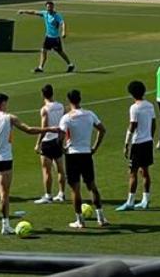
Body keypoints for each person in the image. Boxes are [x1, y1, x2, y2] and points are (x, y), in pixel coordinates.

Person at [0, 92, 57, 234]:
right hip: (5, 159)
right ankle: (5, 225)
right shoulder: (9, 118)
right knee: (4, 194)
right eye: (6, 103)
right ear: (2, 103)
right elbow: (29, 130)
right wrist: (49, 129)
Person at [58, 89, 109, 228]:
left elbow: (60, 137)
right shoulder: (90, 114)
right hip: (86, 154)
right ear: (80, 99)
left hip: (72, 155)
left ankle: (80, 221)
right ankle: (101, 218)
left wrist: (62, 149)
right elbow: (102, 130)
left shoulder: (67, 118)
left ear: (69, 101)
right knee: (92, 186)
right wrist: (94, 147)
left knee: (75, 189)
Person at [117, 80, 157, 211]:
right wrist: (150, 136)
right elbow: (153, 123)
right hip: (148, 142)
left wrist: (126, 143)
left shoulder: (134, 108)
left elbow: (132, 126)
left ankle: (130, 201)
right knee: (145, 171)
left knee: (132, 172)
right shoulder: (150, 106)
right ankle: (145, 200)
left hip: (137, 143)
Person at [18, 1, 75, 74]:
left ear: (53, 7)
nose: (49, 8)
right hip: (48, 37)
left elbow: (62, 22)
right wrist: (23, 11)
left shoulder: (56, 15)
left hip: (55, 38)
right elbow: (34, 12)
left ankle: (70, 64)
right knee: (43, 51)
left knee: (60, 52)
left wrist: (63, 31)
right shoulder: (45, 13)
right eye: (48, 7)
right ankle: (40, 67)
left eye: (50, 7)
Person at [35, 83, 67, 203]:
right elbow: (64, 124)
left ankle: (48, 195)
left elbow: (44, 127)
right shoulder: (61, 106)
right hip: (58, 140)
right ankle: (62, 193)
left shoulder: (45, 109)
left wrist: (38, 143)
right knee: (60, 169)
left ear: (43, 95)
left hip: (47, 141)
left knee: (46, 170)